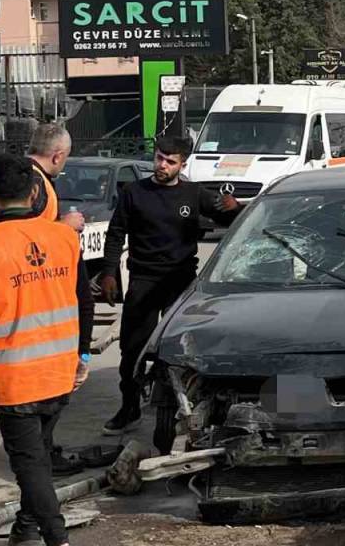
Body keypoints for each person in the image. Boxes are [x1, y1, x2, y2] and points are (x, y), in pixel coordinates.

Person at [0, 154, 95, 546]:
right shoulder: (64, 238)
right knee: (37, 460)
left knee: (30, 465)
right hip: (60, 374)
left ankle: (57, 538)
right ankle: (26, 528)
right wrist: (82, 355)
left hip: (16, 382)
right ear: (35, 192)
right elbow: (84, 302)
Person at [99, 135, 242, 440]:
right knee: (132, 350)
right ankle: (129, 408)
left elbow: (237, 221)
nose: (162, 165)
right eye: (159, 158)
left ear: (183, 164)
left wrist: (234, 207)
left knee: (182, 349)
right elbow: (115, 233)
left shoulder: (194, 194)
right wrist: (109, 272)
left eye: (170, 161)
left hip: (181, 282)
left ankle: (184, 407)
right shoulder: (134, 193)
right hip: (143, 280)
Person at [0, 123, 85, 233]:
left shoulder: (12, 172)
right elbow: (22, 233)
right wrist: (65, 225)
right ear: (58, 157)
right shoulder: (34, 180)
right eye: (66, 157)